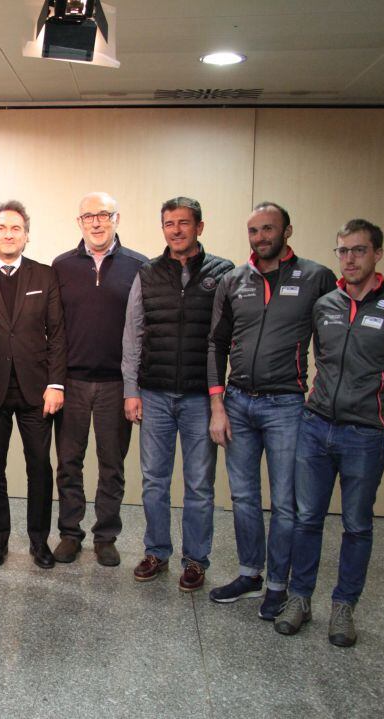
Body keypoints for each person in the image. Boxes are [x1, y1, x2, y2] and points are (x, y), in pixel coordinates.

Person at [275, 219, 384, 647]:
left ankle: (344, 607)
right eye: (342, 251)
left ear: (377, 253)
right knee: (307, 518)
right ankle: (299, 599)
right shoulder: (325, 304)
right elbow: (315, 358)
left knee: (357, 524)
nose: (349, 259)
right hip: (316, 427)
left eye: (358, 250)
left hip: (364, 436)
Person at [206, 202, 336, 617]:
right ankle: (250, 574)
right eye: (254, 231)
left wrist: (319, 397)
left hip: (287, 406)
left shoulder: (316, 278)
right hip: (238, 403)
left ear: (287, 231)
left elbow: (334, 340)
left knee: (285, 501)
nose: (260, 237)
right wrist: (217, 405)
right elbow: (216, 344)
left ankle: (279, 584)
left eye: (268, 229)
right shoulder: (233, 280)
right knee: (243, 496)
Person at [123, 197, 234, 591]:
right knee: (154, 480)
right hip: (153, 394)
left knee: (200, 484)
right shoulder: (148, 273)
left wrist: (221, 395)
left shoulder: (222, 273)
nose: (176, 230)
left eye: (184, 223)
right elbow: (133, 335)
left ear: (199, 227)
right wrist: (131, 390)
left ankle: (196, 560)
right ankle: (156, 551)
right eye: (169, 223)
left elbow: (229, 338)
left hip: (200, 398)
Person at [0, 200, 66, 569]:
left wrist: (57, 384)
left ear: (26, 236)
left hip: (37, 390)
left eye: (16, 229)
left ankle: (39, 541)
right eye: (2, 228)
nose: (9, 234)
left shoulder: (45, 275)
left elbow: (57, 335)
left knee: (39, 466)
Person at [51, 192, 148, 567]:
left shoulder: (139, 266)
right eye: (88, 216)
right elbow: (53, 329)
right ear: (79, 223)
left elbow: (142, 331)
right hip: (71, 382)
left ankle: (106, 536)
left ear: (116, 219)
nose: (95, 222)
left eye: (103, 215)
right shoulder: (61, 266)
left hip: (115, 384)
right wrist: (55, 381)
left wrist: (132, 387)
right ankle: (70, 534)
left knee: (112, 464)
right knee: (68, 462)